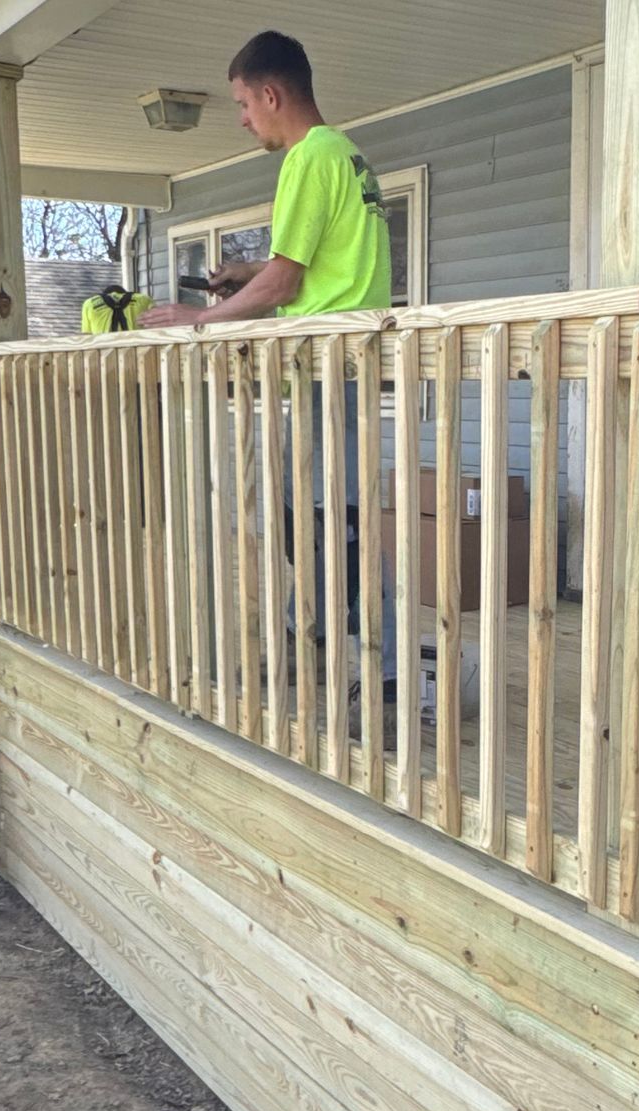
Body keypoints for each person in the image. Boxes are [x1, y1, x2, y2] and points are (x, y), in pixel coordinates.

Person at [136, 30, 396, 709]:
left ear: (271, 93)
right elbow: (310, 267)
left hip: (328, 366)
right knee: (317, 509)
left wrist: (198, 319)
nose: (243, 118)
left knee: (331, 517)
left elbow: (284, 287)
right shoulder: (346, 153)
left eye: (243, 104)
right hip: (344, 365)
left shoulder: (308, 159)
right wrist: (245, 275)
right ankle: (323, 623)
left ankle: (379, 658)